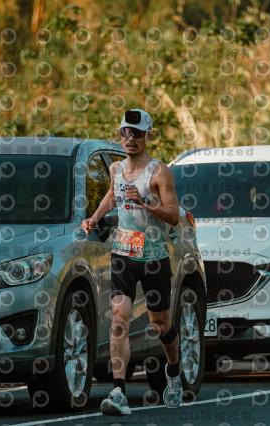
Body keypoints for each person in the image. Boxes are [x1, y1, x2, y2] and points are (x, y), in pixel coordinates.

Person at [81, 109, 182, 416]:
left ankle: (173, 372)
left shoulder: (160, 173)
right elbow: (112, 196)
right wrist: (95, 217)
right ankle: (118, 391)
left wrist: (146, 202)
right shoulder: (115, 169)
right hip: (123, 254)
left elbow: (174, 216)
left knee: (160, 324)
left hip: (153, 258)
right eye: (126, 132)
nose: (130, 138)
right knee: (119, 319)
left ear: (148, 135)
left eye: (137, 133)